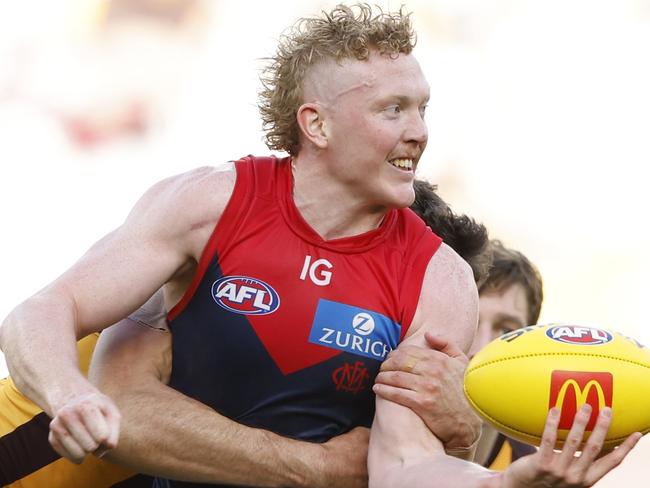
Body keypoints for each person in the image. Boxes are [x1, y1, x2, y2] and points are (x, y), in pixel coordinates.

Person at [0, 4, 640, 488]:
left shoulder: (438, 278)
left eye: (423, 109)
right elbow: (44, 313)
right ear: (317, 123)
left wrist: (504, 483)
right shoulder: (208, 205)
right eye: (393, 110)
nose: (419, 131)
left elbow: (399, 463)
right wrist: (68, 392)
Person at [0, 180, 488, 487]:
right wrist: (316, 466)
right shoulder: (204, 264)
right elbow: (125, 411)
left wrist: (463, 428)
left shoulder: (427, 371)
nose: (448, 342)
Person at [375, 239, 543, 470]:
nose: (482, 346)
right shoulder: (377, 430)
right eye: (470, 321)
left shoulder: (532, 469)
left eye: (507, 331)